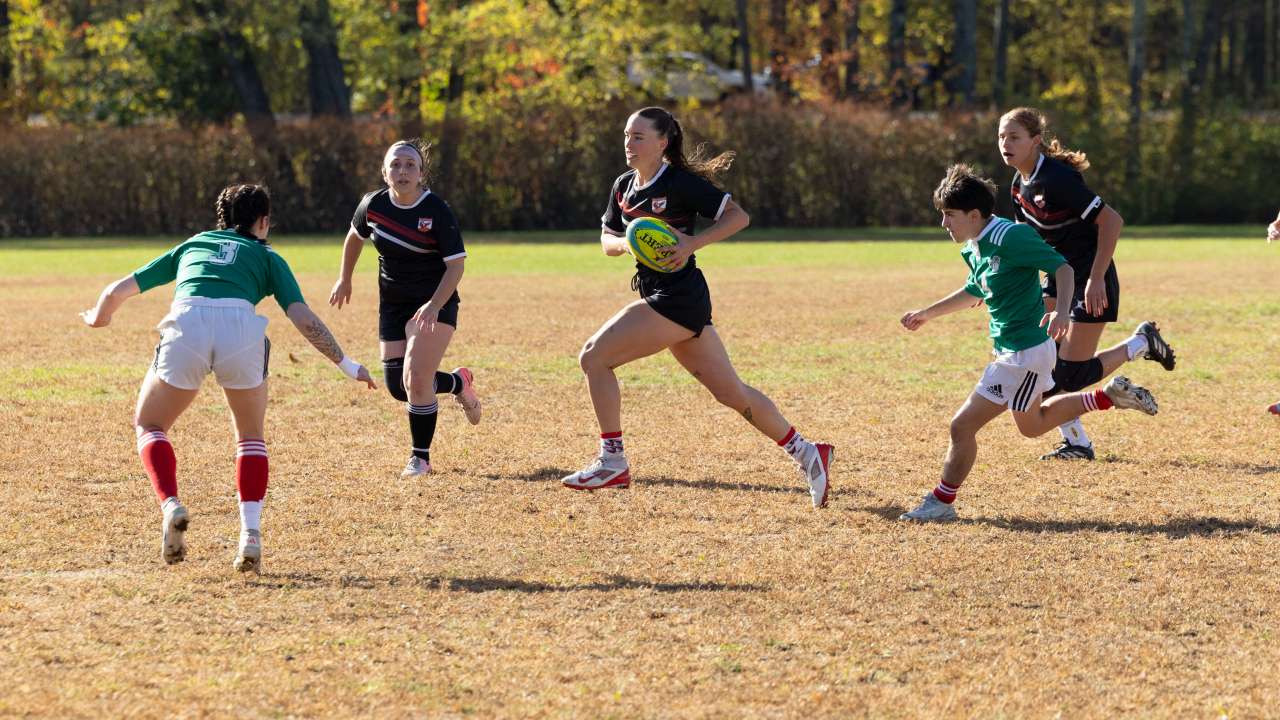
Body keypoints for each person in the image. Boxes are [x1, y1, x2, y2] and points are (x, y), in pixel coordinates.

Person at [80, 184, 376, 572]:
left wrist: (100, 316)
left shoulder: (194, 244)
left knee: (150, 425)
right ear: (264, 221)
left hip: (189, 322)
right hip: (241, 328)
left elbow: (119, 289)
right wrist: (346, 364)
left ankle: (171, 504)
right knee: (250, 437)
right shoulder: (268, 256)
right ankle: (250, 535)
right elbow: (303, 318)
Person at [560, 106, 834, 508]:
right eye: (625, 136)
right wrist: (630, 240)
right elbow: (607, 240)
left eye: (638, 137)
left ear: (662, 142)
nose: (628, 144)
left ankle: (612, 460)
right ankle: (809, 453)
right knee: (732, 394)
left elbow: (738, 217)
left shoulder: (681, 183)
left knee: (593, 357)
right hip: (664, 296)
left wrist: (691, 243)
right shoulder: (623, 186)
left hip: (678, 297)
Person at [898, 165, 1160, 522]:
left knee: (961, 426)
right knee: (1033, 425)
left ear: (974, 215)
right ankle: (1107, 396)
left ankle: (942, 502)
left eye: (949, 215)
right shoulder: (975, 246)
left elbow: (1063, 268)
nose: (944, 224)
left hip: (1023, 354)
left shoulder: (1012, 237)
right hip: (1017, 351)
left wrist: (1063, 312)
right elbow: (976, 289)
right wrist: (927, 313)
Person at [998, 107, 1176, 461]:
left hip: (1092, 276)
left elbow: (1112, 221)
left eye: (1014, 137)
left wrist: (1096, 278)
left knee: (1071, 374)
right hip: (1059, 277)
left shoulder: (1057, 178)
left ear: (1035, 141)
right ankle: (1077, 442)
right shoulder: (1019, 186)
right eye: (1001, 136)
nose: (1005, 143)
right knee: (1039, 362)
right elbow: (1028, 244)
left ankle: (1141, 342)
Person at [330, 140, 482, 478]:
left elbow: (456, 267)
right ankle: (458, 383)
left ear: (422, 173)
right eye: (395, 165)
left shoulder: (437, 211)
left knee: (416, 378)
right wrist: (345, 278)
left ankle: (420, 458)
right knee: (400, 388)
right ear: (384, 172)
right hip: (393, 305)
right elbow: (355, 237)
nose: (402, 171)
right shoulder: (372, 205)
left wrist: (433, 305)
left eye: (410, 165)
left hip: (436, 302)